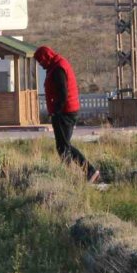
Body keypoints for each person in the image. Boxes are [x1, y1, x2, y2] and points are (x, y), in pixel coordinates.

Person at [34, 45, 101, 183]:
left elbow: (63, 94)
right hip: (67, 110)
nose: (40, 65)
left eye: (41, 61)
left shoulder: (58, 69)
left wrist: (55, 113)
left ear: (46, 57)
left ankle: (86, 172)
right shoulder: (57, 64)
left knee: (63, 146)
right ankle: (81, 173)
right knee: (63, 145)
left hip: (65, 112)